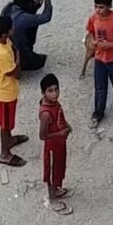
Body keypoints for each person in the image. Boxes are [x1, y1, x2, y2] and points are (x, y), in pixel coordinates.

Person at [0, 15, 28, 166]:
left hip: (7, 89)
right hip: (5, 93)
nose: (14, 29)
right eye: (11, 28)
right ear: (5, 34)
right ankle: (5, 154)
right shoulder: (2, 55)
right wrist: (18, 58)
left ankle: (10, 140)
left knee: (8, 123)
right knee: (5, 125)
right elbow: (17, 73)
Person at [37, 74, 72, 213]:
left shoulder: (55, 103)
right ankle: (51, 199)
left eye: (56, 89)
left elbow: (60, 116)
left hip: (59, 144)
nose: (54, 93)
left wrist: (67, 126)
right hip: (52, 146)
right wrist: (60, 133)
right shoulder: (45, 113)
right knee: (51, 171)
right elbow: (42, 135)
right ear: (43, 93)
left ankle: (56, 190)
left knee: (59, 168)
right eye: (50, 91)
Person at [1, 0, 53, 72]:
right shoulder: (22, 19)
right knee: (40, 62)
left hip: (8, 44)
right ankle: (23, 63)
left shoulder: (8, 8)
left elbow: (26, 9)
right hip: (20, 48)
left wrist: (36, 3)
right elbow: (45, 17)